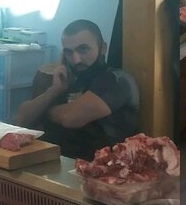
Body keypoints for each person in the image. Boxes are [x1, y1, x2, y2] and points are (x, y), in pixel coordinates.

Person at [15, 19, 139, 161]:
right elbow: (22, 119)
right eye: (68, 52)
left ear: (103, 48)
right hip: (55, 162)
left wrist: (44, 112)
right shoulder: (69, 81)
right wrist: (54, 91)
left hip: (98, 168)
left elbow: (71, 118)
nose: (76, 60)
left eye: (83, 49)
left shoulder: (116, 80)